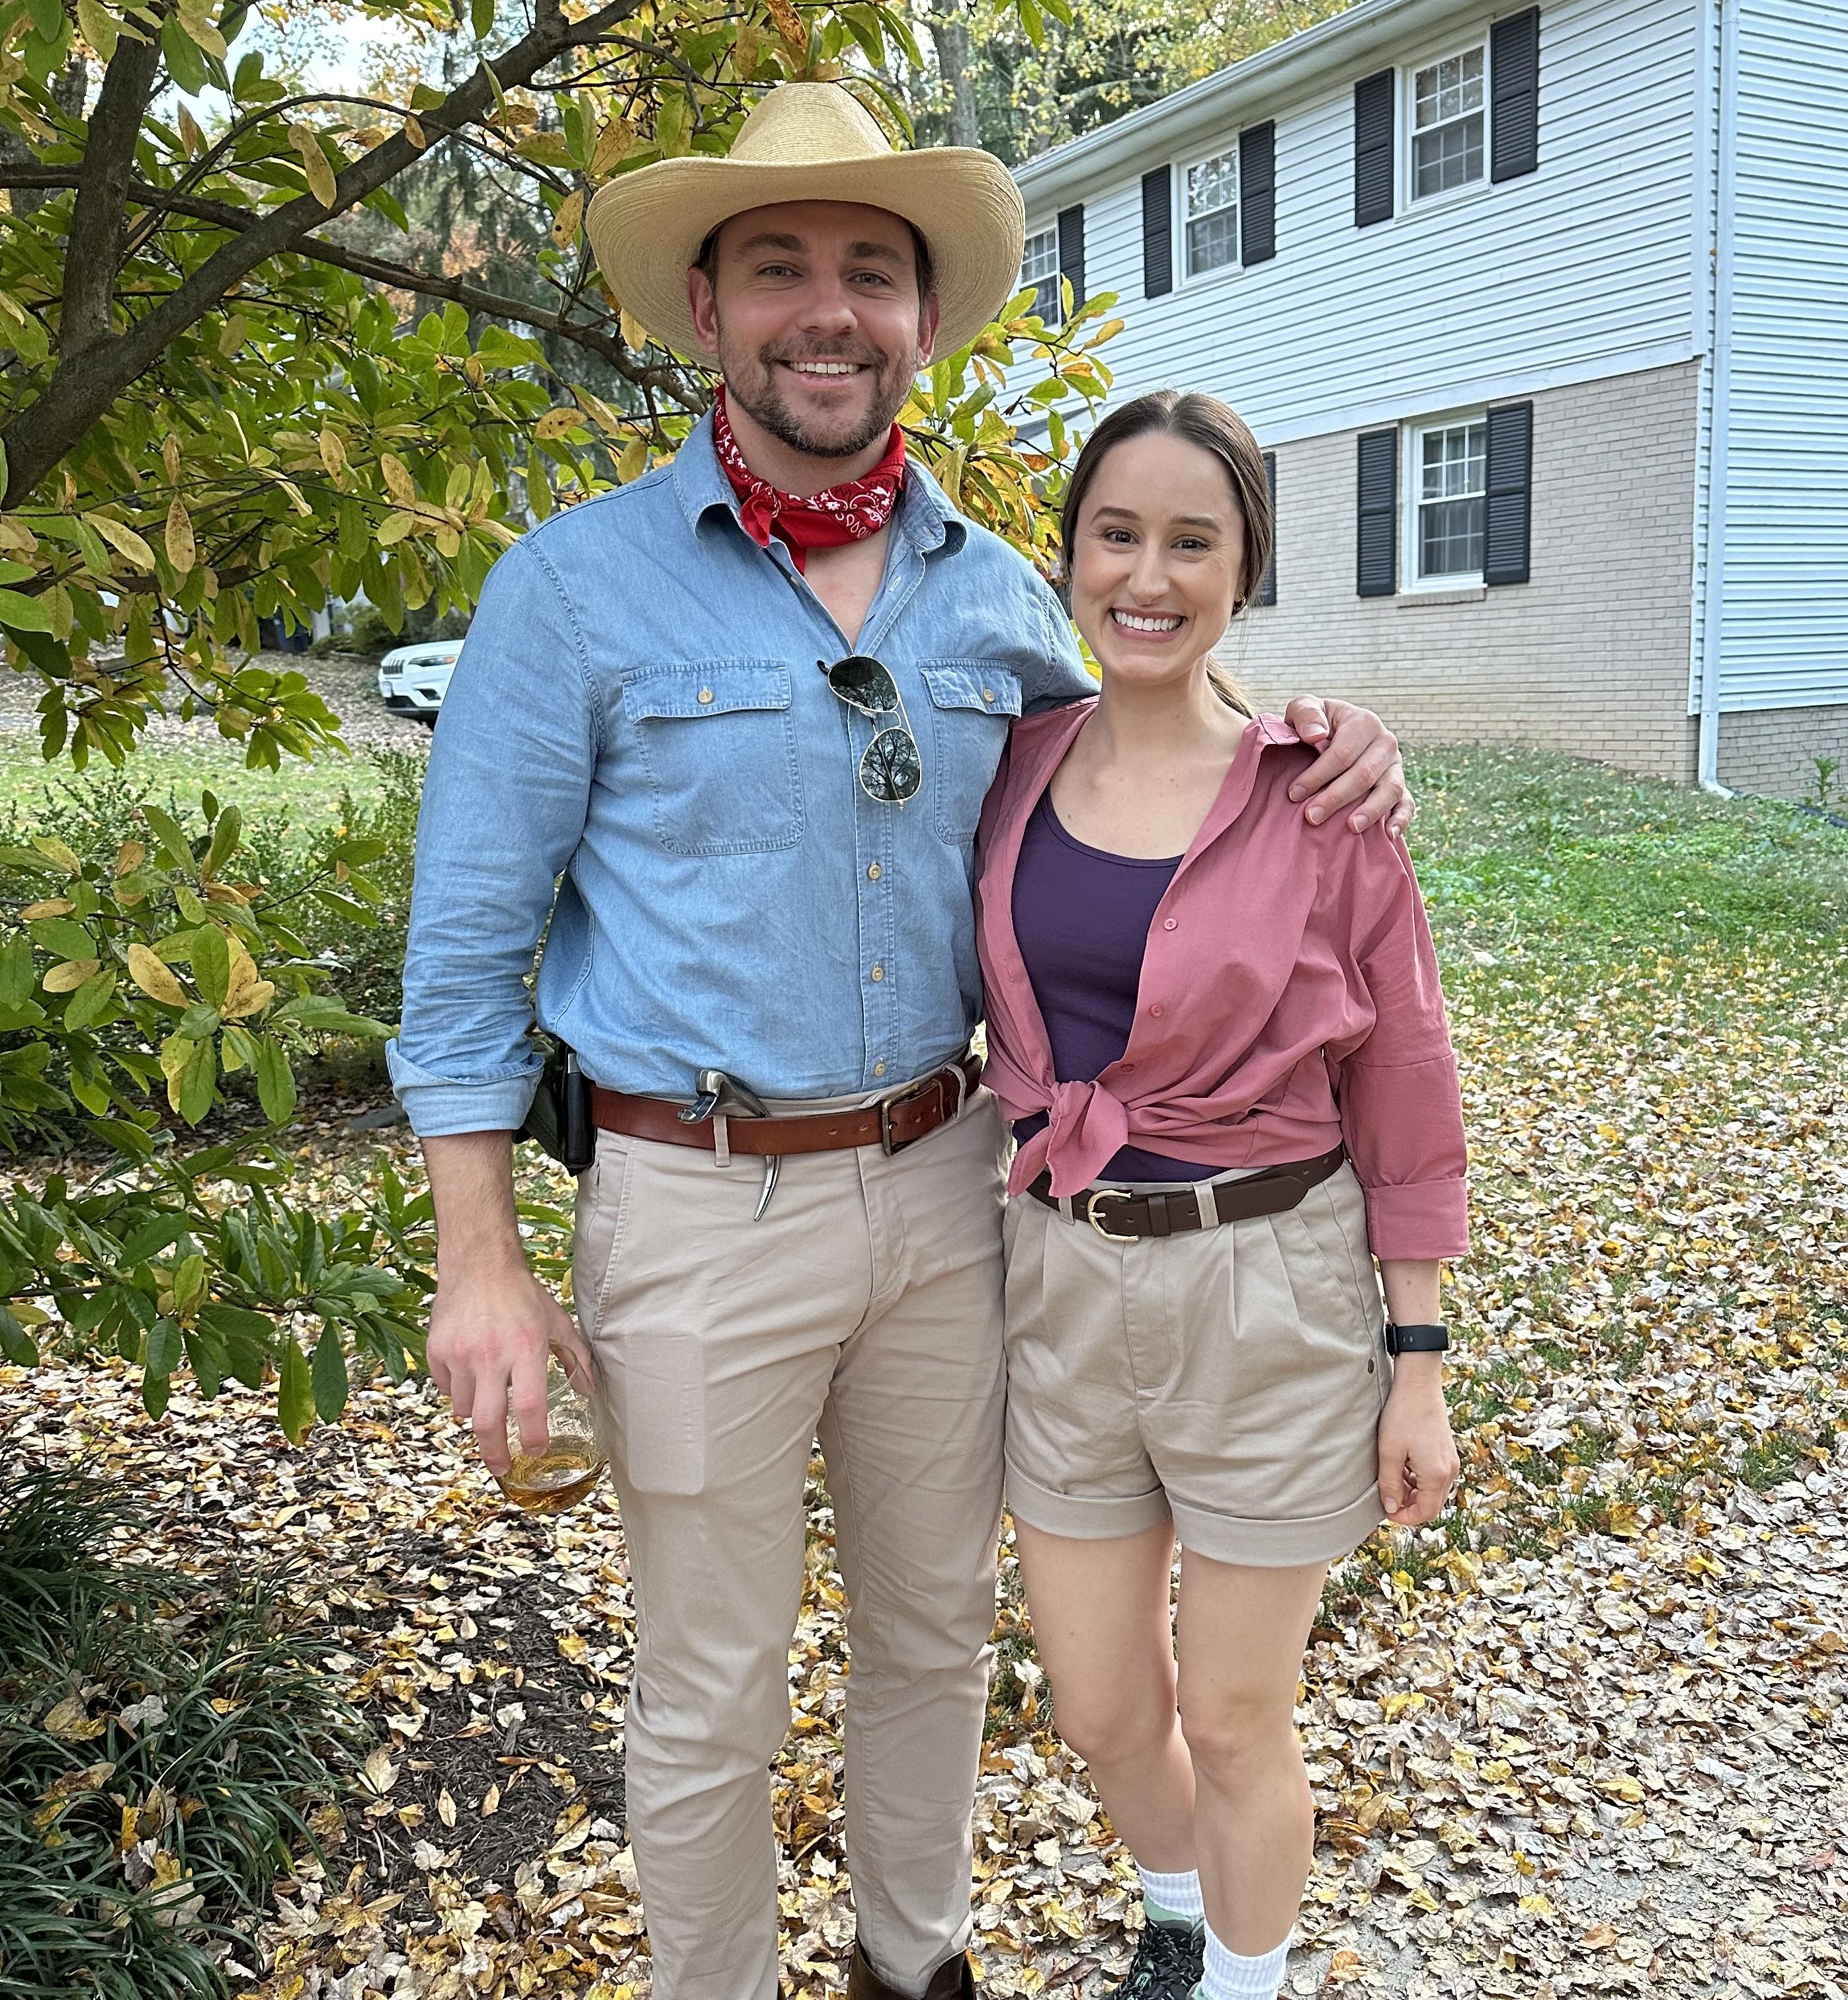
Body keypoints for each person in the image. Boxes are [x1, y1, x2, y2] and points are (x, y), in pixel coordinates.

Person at [388, 83, 1413, 2000]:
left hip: (958, 1192)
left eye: (873, 269)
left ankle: (910, 1963)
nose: (828, 308)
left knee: (938, 1634)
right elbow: (462, 961)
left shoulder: (1001, 595)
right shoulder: (573, 593)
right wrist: (480, 1262)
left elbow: (1155, 730)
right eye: (781, 266)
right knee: (712, 1681)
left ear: (925, 321)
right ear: (706, 306)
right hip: (694, 1203)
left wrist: (1327, 745)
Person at [974, 389, 1466, 2000]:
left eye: (1194, 541)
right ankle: (1177, 1911)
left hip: (1269, 1286)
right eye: (1118, 533)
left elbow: (1403, 1082)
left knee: (1240, 1712)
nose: (1150, 573)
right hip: (1058, 1273)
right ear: (1069, 556)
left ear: (1244, 571)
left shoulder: (1321, 799)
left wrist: (1420, 1363)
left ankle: (1243, 1986)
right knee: (1105, 1707)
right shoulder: (1015, 765)